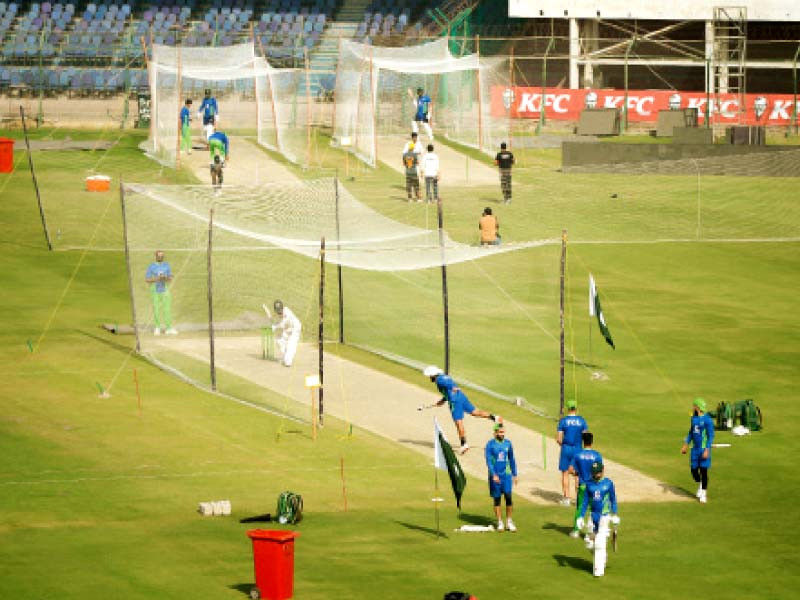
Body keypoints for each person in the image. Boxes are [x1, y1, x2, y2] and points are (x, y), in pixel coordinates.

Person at [423, 365, 499, 454]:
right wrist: (443, 400)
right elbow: (448, 390)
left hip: (454, 401)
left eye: (430, 376)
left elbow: (449, 386)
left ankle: (464, 444)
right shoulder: (443, 376)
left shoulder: (439, 380)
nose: (429, 378)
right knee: (474, 412)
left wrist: (452, 389)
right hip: (461, 396)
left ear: (433, 375)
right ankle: (494, 417)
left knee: (458, 422)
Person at [577, 461, 619, 577]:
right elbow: (585, 502)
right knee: (589, 543)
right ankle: (602, 556)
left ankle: (598, 571)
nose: (597, 475)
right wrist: (580, 517)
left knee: (600, 544)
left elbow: (613, 500)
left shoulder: (608, 484)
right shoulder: (589, 485)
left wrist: (615, 514)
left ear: (603, 470)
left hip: (604, 517)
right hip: (592, 516)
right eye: (595, 473)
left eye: (599, 472)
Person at [485, 422, 518, 532]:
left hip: (506, 475)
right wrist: (493, 474)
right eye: (500, 432)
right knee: (497, 499)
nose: (502, 434)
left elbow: (512, 459)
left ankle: (509, 521)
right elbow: (489, 461)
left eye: (503, 432)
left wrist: (515, 474)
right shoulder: (490, 445)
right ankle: (499, 522)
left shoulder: (508, 444)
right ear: (495, 433)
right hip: (495, 476)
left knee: (508, 497)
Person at [568, 431, 602, 537]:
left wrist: (577, 474)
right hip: (594, 486)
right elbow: (600, 472)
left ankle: (576, 530)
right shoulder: (597, 455)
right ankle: (592, 531)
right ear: (592, 442)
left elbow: (570, 470)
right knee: (594, 509)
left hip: (582, 486)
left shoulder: (577, 455)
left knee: (580, 508)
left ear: (583, 442)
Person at [681, 397, 715, 504]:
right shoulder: (694, 419)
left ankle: (703, 493)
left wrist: (707, 449)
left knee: (703, 471)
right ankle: (700, 483)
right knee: (694, 472)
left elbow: (711, 436)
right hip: (695, 450)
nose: (692, 407)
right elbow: (691, 432)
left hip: (704, 449)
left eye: (694, 406)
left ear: (697, 407)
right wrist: (686, 444)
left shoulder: (708, 420)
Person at [557, 399, 588, 506]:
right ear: (576, 409)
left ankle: (566, 499)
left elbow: (559, 439)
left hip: (566, 448)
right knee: (577, 475)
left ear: (567, 409)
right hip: (578, 449)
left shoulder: (563, 421)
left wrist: (563, 445)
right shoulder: (582, 421)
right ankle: (579, 500)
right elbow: (586, 436)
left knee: (565, 473)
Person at [145, 250, 177, 335]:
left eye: (162, 256)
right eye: (159, 256)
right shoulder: (151, 266)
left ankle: (169, 328)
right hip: (154, 289)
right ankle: (157, 327)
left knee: (167, 308)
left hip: (164, 289)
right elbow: (147, 279)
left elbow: (170, 278)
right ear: (155, 256)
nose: (160, 257)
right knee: (156, 309)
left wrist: (165, 277)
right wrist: (156, 279)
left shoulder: (166, 265)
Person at [271, 300, 301, 367]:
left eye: (279, 310)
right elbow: (280, 323)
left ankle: (288, 362)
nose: (278, 312)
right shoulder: (279, 314)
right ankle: (286, 357)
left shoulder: (287, 312)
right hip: (288, 329)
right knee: (279, 341)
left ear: (282, 308)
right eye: (277, 310)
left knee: (291, 344)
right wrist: (275, 325)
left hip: (295, 328)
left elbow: (283, 324)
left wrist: (275, 327)